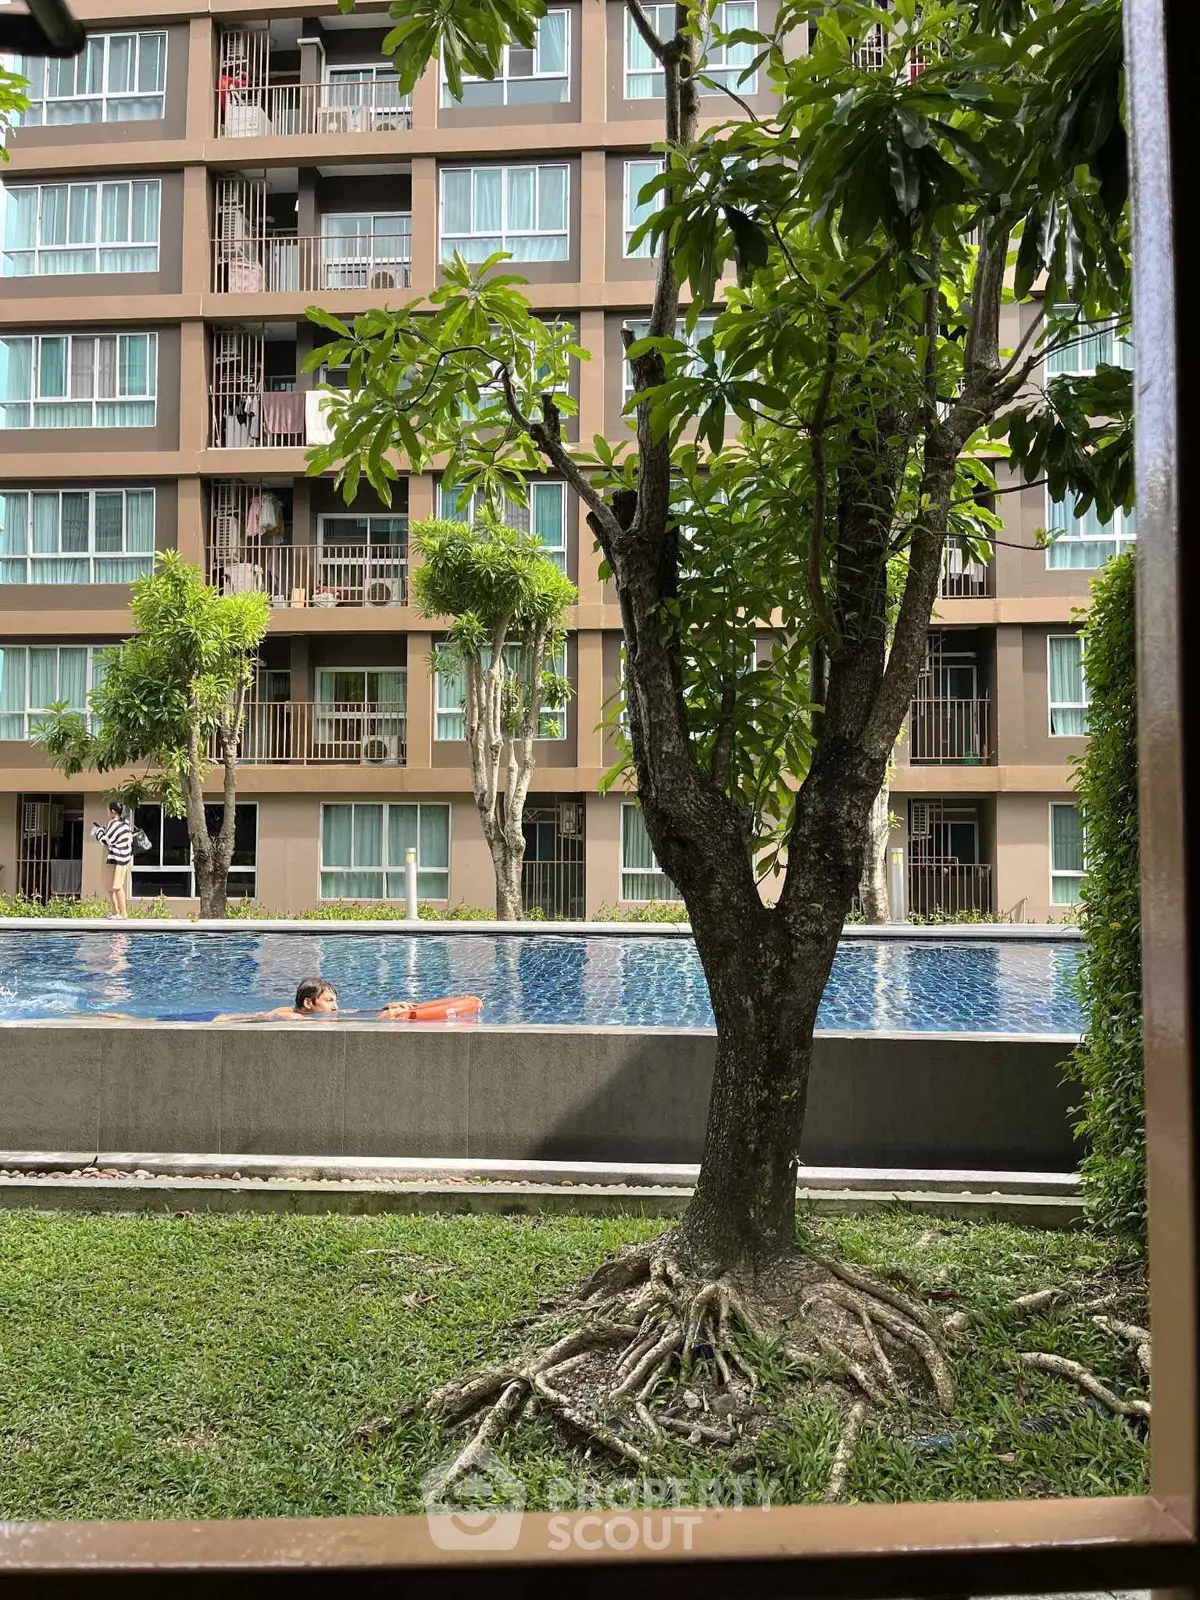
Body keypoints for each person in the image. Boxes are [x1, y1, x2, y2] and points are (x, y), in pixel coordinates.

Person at [211, 977, 411, 1024]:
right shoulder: (285, 1016)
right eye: (329, 1001)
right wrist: (381, 1020)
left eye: (335, 1001)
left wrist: (383, 1007)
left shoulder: (310, 1011)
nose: (336, 1007)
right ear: (308, 1003)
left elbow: (348, 1013)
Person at [90, 800, 134, 920]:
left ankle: (123, 913)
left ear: (113, 811)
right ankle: (115, 910)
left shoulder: (114, 824)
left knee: (117, 886)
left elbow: (106, 840)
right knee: (109, 885)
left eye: (108, 810)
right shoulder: (125, 824)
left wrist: (98, 831)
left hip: (117, 859)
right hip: (120, 858)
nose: (107, 812)